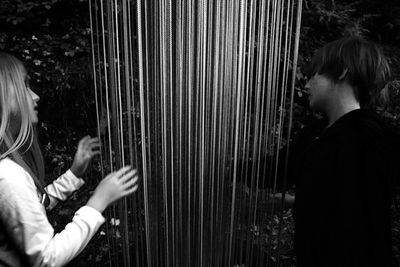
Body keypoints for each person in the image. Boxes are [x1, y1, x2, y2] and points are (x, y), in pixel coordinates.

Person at [240, 36, 398, 266]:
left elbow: (358, 221)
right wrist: (229, 166)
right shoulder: (318, 131)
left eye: (316, 74)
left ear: (342, 72)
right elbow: (277, 170)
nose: (307, 83)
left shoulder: (367, 140)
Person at [0, 52, 139, 267]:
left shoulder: (7, 171)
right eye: (24, 86)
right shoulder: (8, 176)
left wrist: (73, 174)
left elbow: (35, 205)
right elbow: (46, 259)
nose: (35, 96)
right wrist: (97, 202)